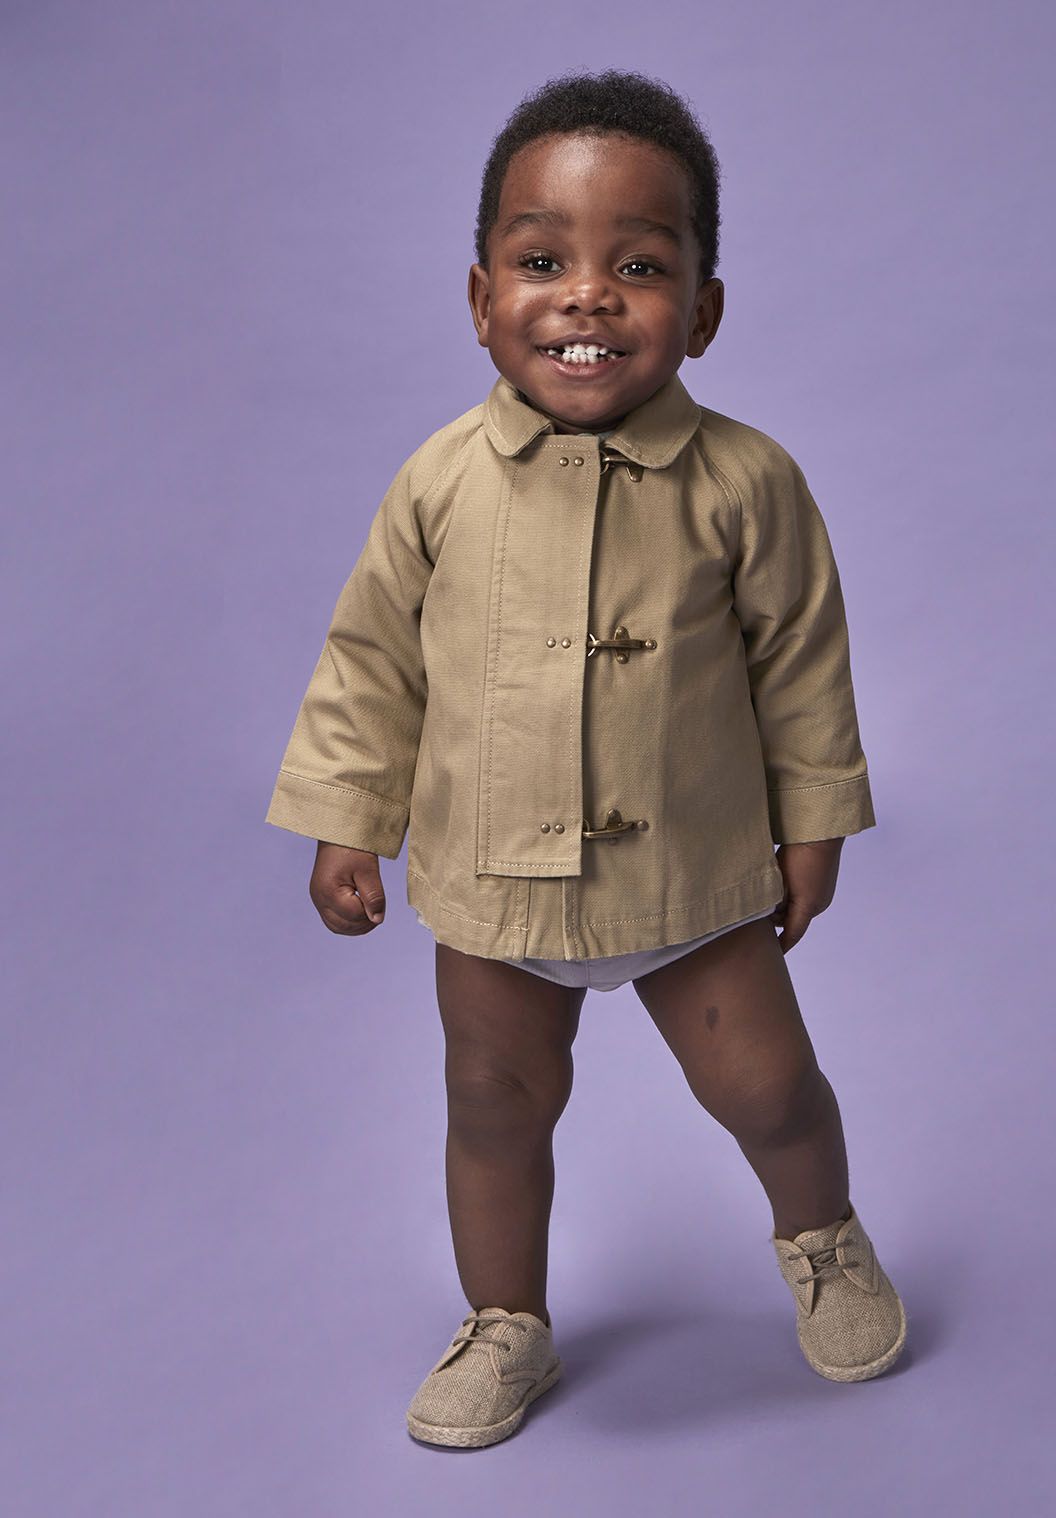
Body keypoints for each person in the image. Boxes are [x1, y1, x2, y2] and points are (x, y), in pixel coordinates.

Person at [265, 69, 907, 1450]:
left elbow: (803, 663)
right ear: (483, 297)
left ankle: (824, 1236)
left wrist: (815, 824)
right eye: (543, 261)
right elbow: (372, 661)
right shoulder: (439, 478)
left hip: (693, 874)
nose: (589, 297)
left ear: (706, 310)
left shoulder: (749, 482)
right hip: (495, 881)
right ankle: (508, 1319)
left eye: (641, 266)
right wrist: (346, 819)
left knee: (771, 1090)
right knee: (493, 1107)